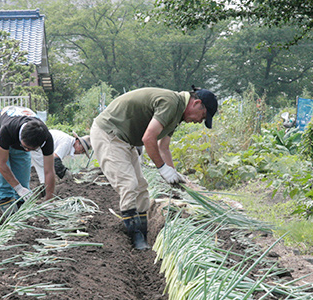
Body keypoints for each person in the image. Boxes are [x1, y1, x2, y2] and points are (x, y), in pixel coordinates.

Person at [90, 86, 218, 250]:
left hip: (125, 140)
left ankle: (143, 232)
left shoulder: (177, 113)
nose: (199, 121)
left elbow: (163, 147)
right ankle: (134, 237)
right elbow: (148, 138)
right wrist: (163, 169)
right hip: (109, 134)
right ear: (197, 103)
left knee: (142, 186)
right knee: (128, 185)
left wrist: (173, 175)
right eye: (203, 116)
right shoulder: (171, 103)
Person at [0, 105, 55, 211]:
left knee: (23, 180)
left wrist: (49, 200)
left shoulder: (46, 137)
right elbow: (0, 163)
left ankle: (21, 211)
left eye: (31, 150)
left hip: (18, 138)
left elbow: (49, 171)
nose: (27, 151)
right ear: (21, 138)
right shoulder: (7, 129)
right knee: (2, 179)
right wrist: (18, 188)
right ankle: (7, 210)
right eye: (25, 147)